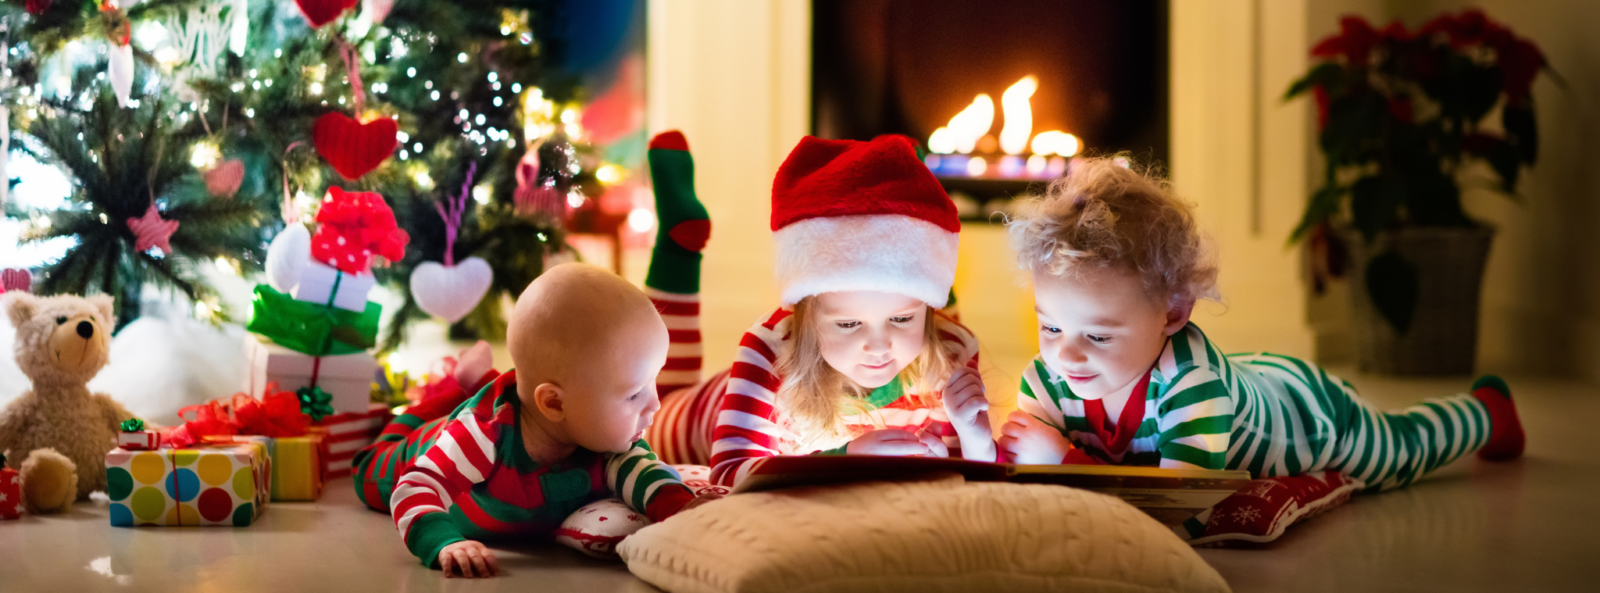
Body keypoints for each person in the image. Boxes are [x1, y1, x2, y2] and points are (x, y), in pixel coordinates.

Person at [978, 155, 1522, 493]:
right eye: (1049, 327)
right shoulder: (1047, 378)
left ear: (1172, 312)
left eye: (1097, 335)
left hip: (1310, 412)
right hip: (1250, 375)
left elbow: (1180, 511)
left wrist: (1066, 462)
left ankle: (1487, 412)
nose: (1066, 355)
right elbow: (1013, 475)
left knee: (1403, 453)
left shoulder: (1195, 388)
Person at [641, 133, 994, 488]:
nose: (878, 346)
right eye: (848, 323)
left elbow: (968, 481)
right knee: (657, 408)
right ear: (805, 313)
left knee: (930, 343)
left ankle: (909, 200)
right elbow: (731, 472)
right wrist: (845, 461)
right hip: (708, 411)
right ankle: (677, 246)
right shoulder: (770, 347)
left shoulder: (955, 347)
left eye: (901, 318)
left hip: (923, 339)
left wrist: (973, 437)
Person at [352, 262, 705, 577]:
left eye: (652, 382)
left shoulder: (609, 439)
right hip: (419, 449)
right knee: (372, 463)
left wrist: (686, 510)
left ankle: (479, 381)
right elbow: (413, 488)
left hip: (512, 407)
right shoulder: (479, 437)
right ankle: (458, 392)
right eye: (633, 394)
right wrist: (445, 543)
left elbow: (650, 476)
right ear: (554, 403)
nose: (655, 404)